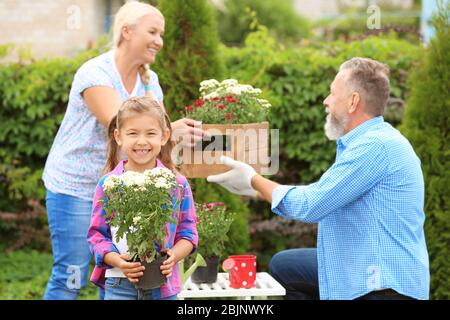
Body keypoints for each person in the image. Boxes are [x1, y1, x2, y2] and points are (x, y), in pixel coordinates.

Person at [207, 57, 430, 300]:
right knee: (285, 266)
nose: (326, 100)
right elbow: (322, 195)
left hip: (384, 286)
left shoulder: (375, 146)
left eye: (332, 93)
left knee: (287, 269)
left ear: (353, 101)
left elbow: (311, 205)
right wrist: (257, 190)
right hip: (363, 262)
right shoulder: (371, 141)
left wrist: (253, 179)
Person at [42, 2, 202, 299]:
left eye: (162, 34)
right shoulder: (95, 72)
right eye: (152, 32)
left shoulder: (150, 81)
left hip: (127, 190)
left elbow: (157, 139)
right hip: (77, 185)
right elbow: (121, 124)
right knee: (72, 275)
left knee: (121, 270)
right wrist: (169, 130)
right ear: (126, 32)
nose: (159, 41)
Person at [87, 96, 198, 300]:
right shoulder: (108, 184)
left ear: (164, 136)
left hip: (163, 285)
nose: (142, 141)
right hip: (119, 283)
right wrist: (119, 261)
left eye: (150, 133)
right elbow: (97, 236)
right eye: (133, 133)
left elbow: (188, 233)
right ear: (118, 137)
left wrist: (174, 255)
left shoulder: (177, 184)